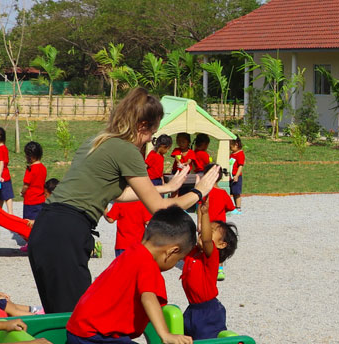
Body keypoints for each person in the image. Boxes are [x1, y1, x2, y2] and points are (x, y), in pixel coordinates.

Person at [27, 88, 220, 314]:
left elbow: (115, 193)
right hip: (67, 233)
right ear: (141, 126)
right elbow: (159, 209)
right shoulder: (126, 149)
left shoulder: (97, 141)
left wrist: (166, 187)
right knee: (75, 321)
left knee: (60, 315)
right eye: (151, 133)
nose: (150, 140)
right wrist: (198, 192)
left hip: (46, 228)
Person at [64, 206, 196, 344]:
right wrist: (166, 334)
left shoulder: (131, 252)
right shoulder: (148, 264)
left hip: (81, 329)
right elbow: (149, 297)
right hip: (95, 335)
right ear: (172, 251)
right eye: (179, 259)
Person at [181, 206, 238, 340]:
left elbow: (206, 240)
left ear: (222, 244)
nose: (204, 233)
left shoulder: (211, 257)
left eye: (210, 231)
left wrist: (206, 212)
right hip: (192, 309)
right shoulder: (194, 252)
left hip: (208, 312)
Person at [22, 142, 48, 221]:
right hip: (41, 200)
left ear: (30, 156)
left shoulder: (30, 169)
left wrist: (22, 192)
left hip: (30, 201)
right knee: (38, 221)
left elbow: (26, 185)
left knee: (28, 223)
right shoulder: (43, 168)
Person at [0, 127, 14, 212]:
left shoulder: (0, 149)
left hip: (3, 177)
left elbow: (2, 163)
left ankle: (10, 212)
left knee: (7, 196)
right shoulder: (3, 148)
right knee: (1, 196)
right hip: (4, 176)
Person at [228, 138, 245, 212]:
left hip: (236, 176)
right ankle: (234, 206)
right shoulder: (232, 154)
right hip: (231, 176)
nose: (230, 148)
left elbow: (240, 166)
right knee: (233, 192)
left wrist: (237, 175)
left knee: (237, 192)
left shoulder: (240, 154)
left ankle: (238, 207)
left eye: (231, 146)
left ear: (236, 144)